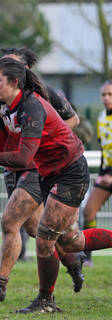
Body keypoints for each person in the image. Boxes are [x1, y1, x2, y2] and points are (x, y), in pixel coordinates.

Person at [0, 57, 112, 313]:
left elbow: (23, 157)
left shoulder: (31, 106)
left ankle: (45, 301)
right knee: (71, 241)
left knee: (45, 239)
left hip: (70, 172)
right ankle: (47, 292)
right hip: (49, 174)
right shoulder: (2, 107)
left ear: (13, 82)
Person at [0, 47, 84, 303]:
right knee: (40, 231)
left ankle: (0, 284)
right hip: (13, 166)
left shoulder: (39, 97)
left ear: (20, 75)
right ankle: (72, 262)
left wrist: (45, 136)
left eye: (2, 75)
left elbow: (72, 120)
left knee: (10, 221)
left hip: (36, 166)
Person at [82, 80, 112, 267]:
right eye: (103, 95)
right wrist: (103, 172)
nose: (106, 98)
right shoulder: (101, 117)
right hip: (107, 174)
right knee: (88, 210)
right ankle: (87, 258)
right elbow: (104, 148)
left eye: (110, 94)